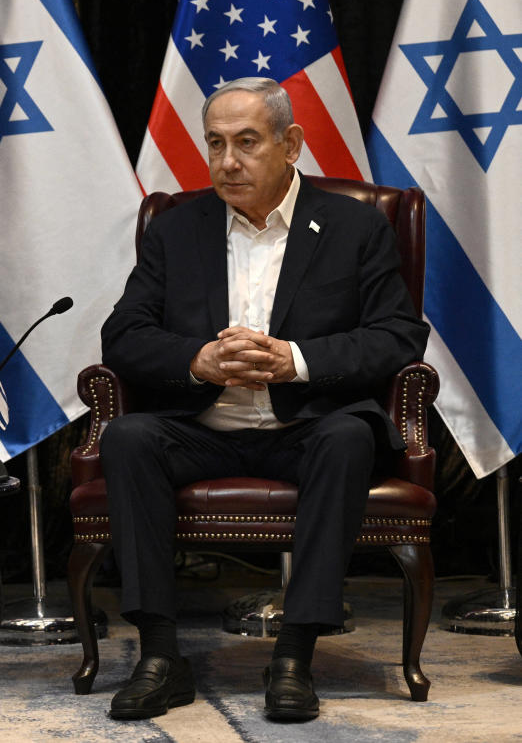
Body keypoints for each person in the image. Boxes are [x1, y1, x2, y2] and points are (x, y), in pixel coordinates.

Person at [98, 78, 429, 722]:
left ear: (291, 144)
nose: (227, 162)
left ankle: (295, 656)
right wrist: (198, 360)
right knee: (128, 436)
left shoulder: (355, 225)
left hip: (307, 426)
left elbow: (397, 334)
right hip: (203, 426)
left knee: (348, 436)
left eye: (247, 143)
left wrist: (294, 361)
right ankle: (161, 657)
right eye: (215, 144)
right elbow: (124, 335)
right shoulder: (175, 228)